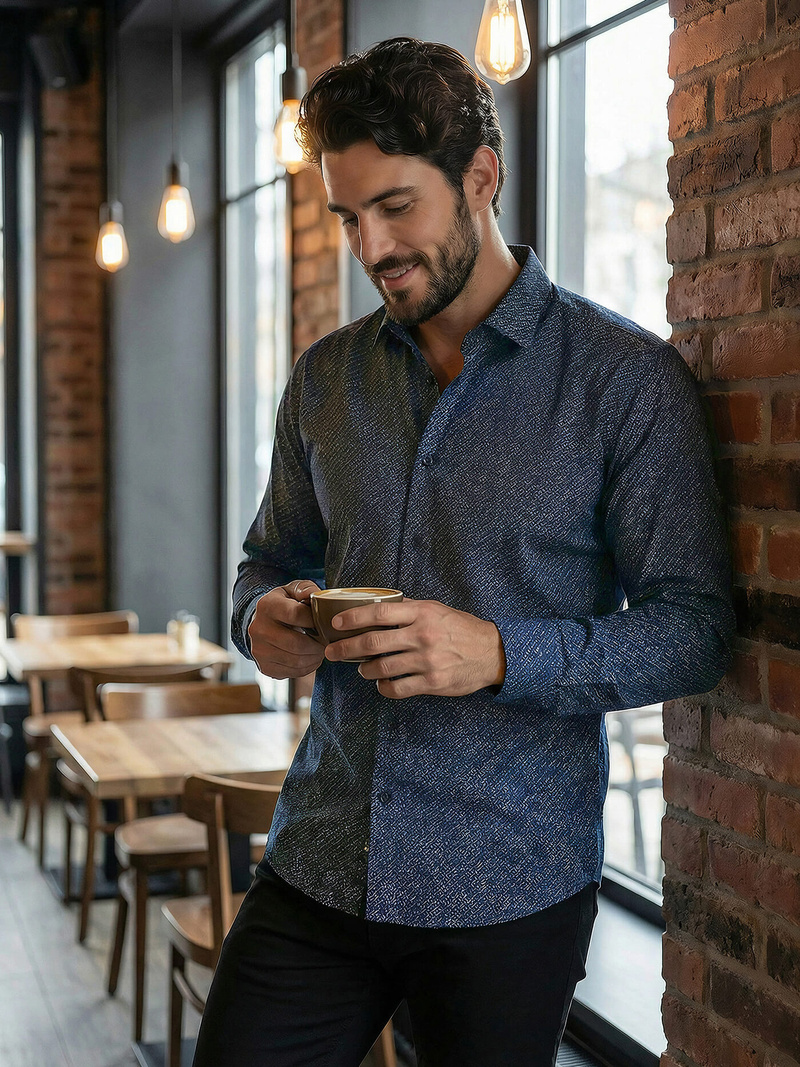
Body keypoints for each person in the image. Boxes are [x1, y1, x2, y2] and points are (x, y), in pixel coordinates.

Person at [193, 36, 734, 1067]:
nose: (370, 246)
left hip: (508, 882)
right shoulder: (322, 378)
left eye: (395, 206)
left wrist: (495, 653)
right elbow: (265, 558)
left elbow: (692, 630)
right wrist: (260, 616)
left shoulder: (620, 380)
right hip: (318, 861)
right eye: (349, 217)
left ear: (480, 178)